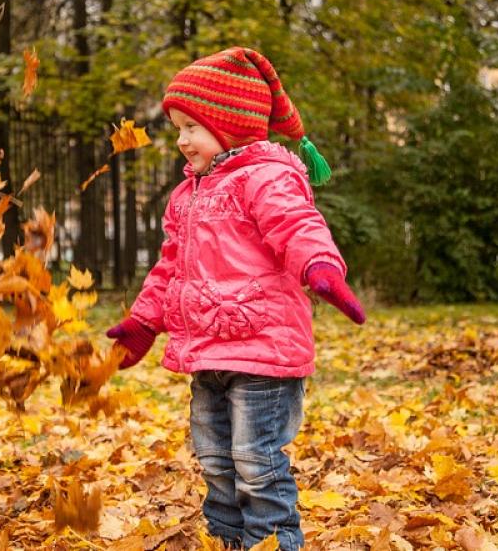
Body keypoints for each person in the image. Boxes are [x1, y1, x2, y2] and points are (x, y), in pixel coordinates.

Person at [105, 47, 365, 550]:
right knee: (215, 459)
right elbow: (169, 268)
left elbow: (297, 227)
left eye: (190, 127)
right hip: (209, 352)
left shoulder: (266, 178)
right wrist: (143, 322)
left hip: (263, 354)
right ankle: (225, 541)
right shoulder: (188, 194)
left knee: (256, 461)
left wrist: (322, 269)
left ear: (229, 123)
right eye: (178, 127)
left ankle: (272, 543)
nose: (181, 140)